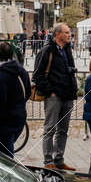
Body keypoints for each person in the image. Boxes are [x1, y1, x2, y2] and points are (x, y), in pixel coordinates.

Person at [33, 23, 78, 171]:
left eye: (69, 32)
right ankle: (48, 161)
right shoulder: (47, 51)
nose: (69, 35)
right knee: (50, 128)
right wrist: (50, 91)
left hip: (67, 95)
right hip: (54, 96)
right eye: (66, 32)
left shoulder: (67, 50)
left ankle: (59, 159)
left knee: (63, 130)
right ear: (57, 34)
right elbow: (37, 75)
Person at [0, 40, 31, 158]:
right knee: (7, 148)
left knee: (5, 155)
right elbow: (28, 92)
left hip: (4, 121)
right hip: (19, 116)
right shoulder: (21, 70)